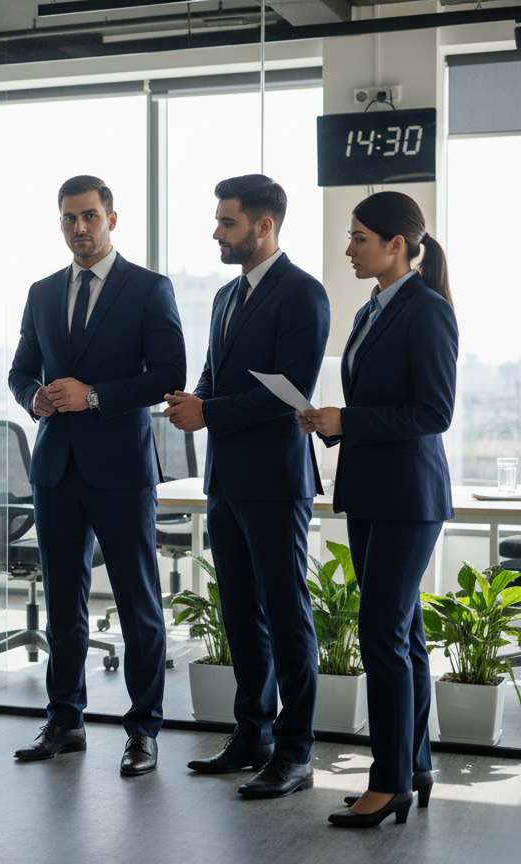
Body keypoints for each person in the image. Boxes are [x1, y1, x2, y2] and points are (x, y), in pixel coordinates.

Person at [7, 176, 185, 775]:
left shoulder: (148, 289)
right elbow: (20, 371)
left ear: (113, 218)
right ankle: (65, 721)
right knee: (63, 602)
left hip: (120, 469)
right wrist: (34, 398)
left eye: (89, 216)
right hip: (56, 468)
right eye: (68, 219)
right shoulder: (41, 291)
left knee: (138, 604)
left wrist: (94, 397)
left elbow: (168, 372)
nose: (78, 228)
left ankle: (143, 731)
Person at [164, 175, 329, 798]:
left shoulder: (302, 294)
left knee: (286, 614)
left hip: (274, 477)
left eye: (227, 223)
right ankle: (252, 734)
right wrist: (195, 399)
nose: (216, 232)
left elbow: (287, 389)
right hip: (226, 478)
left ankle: (296, 751)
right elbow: (216, 371)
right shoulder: (227, 296)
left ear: (264, 226)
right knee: (240, 612)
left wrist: (210, 412)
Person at [297, 191, 457, 827]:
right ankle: (413, 764)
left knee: (382, 634)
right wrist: (332, 425)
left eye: (360, 238)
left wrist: (350, 418)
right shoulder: (372, 308)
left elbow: (433, 412)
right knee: (403, 633)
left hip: (406, 498)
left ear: (397, 245)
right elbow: (381, 405)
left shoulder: (426, 310)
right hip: (371, 491)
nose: (349, 248)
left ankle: (387, 780)